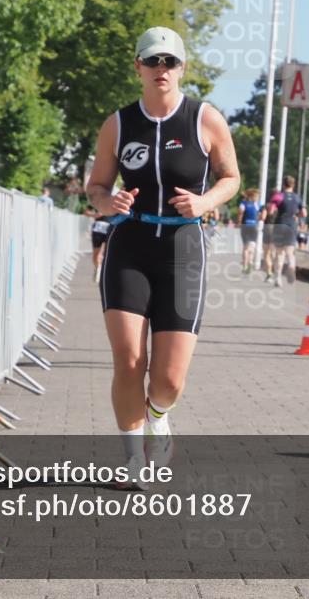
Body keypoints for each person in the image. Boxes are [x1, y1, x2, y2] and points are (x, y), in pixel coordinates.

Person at [85, 26, 240, 486]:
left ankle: (159, 418)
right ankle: (134, 458)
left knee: (169, 379)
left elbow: (231, 177)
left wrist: (206, 202)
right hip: (129, 247)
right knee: (129, 360)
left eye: (169, 62)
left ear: (182, 68)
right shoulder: (117, 124)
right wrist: (105, 202)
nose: (161, 69)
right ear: (138, 67)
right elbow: (95, 186)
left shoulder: (205, 119)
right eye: (152, 61)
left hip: (183, 251)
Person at [270, 175, 306, 287]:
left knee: (279, 253)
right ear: (293, 185)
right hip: (291, 225)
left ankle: (278, 278)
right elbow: (304, 213)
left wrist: (275, 213)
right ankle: (291, 269)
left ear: (283, 184)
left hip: (280, 224)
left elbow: (271, 211)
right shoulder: (297, 198)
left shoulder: (279, 196)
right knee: (290, 253)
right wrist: (296, 215)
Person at [237, 188, 261, 273]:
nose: (258, 197)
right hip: (253, 227)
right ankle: (249, 262)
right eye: (257, 196)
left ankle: (245, 265)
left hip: (245, 226)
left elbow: (240, 212)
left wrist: (239, 222)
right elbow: (259, 215)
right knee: (251, 247)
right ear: (253, 196)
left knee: (246, 247)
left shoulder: (243, 203)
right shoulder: (257, 204)